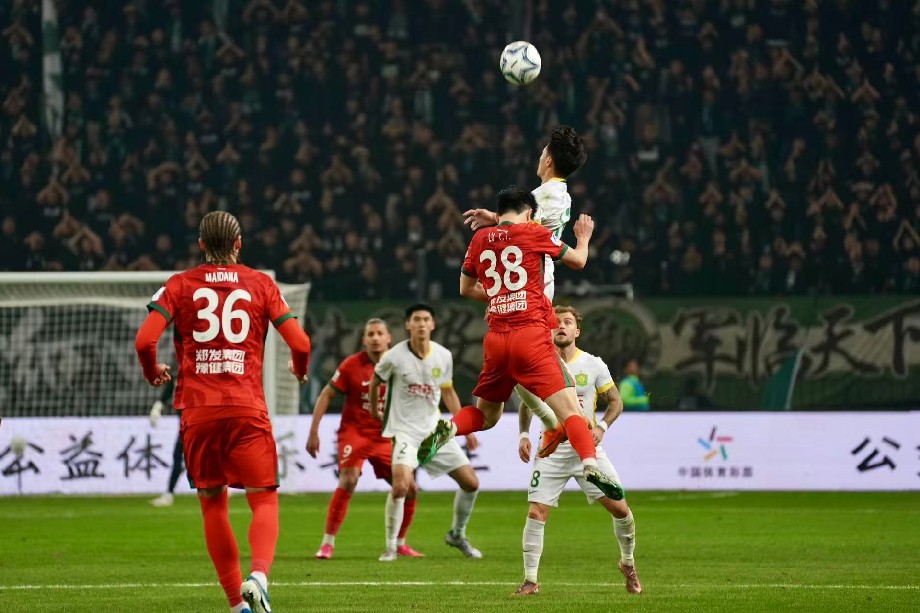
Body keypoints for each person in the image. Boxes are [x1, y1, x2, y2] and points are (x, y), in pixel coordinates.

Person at [135, 211, 312, 613]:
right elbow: (301, 344)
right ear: (238, 244)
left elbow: (145, 341)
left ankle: (237, 604)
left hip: (198, 411)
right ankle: (259, 576)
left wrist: (152, 372)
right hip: (247, 407)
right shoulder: (261, 284)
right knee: (263, 500)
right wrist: (299, 370)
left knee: (213, 504)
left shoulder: (179, 285)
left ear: (201, 245)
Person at [418, 186, 623, 502]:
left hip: (497, 339)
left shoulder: (479, 239)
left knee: (487, 417)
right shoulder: (534, 232)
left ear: (499, 211)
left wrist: (502, 297)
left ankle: (450, 428)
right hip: (531, 336)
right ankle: (590, 465)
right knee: (571, 412)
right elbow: (579, 261)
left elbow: (465, 288)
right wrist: (583, 237)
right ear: (529, 212)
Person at [462, 125, 587, 457]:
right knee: (518, 366)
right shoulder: (552, 193)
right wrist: (496, 218)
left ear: (548, 159)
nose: (540, 154)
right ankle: (559, 423)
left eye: (543, 150)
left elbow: (525, 232)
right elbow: (525, 228)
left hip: (530, 289)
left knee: (525, 365)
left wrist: (497, 221)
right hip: (524, 286)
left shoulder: (548, 195)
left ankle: (565, 425)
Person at [515, 305, 641, 596]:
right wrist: (523, 434)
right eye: (556, 322)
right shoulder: (538, 365)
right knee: (536, 512)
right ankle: (530, 581)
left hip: (587, 450)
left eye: (568, 322)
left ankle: (628, 563)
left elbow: (615, 401)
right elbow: (527, 403)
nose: (561, 326)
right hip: (551, 452)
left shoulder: (593, 364)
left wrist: (602, 427)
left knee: (621, 509)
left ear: (577, 331)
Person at [368, 303, 482, 562]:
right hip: (405, 432)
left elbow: (448, 392)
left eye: (425, 319)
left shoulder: (443, 355)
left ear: (433, 324)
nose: (421, 323)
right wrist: (375, 410)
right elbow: (375, 381)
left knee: (471, 483)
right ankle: (391, 547)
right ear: (408, 325)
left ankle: (457, 534)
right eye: (416, 319)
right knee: (400, 486)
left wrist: (466, 429)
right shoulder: (394, 357)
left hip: (435, 432)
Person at [306, 318, 422, 560]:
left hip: (387, 437)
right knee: (348, 479)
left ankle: (400, 543)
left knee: (409, 488)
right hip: (355, 432)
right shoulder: (351, 365)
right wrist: (313, 431)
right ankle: (327, 543)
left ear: (389, 338)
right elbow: (326, 395)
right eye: (371, 334)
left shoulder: (401, 364)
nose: (375, 338)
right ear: (364, 340)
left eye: (380, 333)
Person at [148, 376, 184, 507]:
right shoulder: (178, 377)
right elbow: (167, 393)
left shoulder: (197, 375)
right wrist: (157, 407)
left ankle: (168, 494)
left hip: (196, 422)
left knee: (182, 457)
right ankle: (168, 494)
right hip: (185, 424)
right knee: (178, 457)